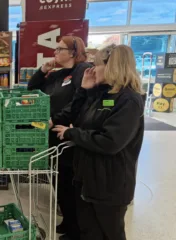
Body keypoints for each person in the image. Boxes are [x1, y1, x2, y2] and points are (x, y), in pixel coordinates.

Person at [52, 44, 145, 240]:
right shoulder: (104, 96)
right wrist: (85, 91)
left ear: (112, 65)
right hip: (89, 179)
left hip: (109, 184)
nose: (92, 70)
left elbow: (110, 142)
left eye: (96, 64)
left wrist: (72, 133)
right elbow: (83, 121)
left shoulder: (129, 101)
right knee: (89, 231)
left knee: (109, 233)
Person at [28, 36, 91, 240]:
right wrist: (43, 71)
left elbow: (77, 102)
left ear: (73, 52)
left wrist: (56, 120)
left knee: (70, 181)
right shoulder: (58, 75)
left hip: (68, 136)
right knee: (58, 180)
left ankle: (77, 228)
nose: (54, 52)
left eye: (59, 49)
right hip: (53, 135)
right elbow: (32, 89)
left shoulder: (81, 71)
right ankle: (69, 221)